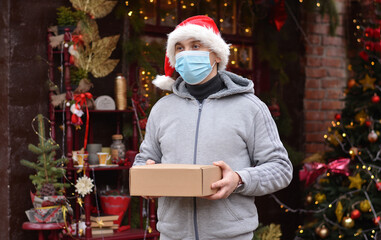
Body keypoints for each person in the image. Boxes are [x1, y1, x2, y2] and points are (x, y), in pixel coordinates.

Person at [134, 15, 293, 240]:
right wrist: (145, 176)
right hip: (172, 235)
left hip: (231, 236)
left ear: (217, 54)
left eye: (195, 45)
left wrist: (239, 179)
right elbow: (144, 160)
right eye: (179, 48)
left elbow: (280, 168)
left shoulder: (250, 108)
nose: (186, 53)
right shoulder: (162, 109)